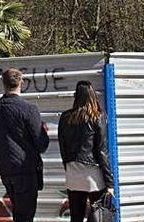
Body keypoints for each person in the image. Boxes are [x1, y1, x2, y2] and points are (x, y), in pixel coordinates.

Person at [0, 68, 50, 222]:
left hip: (5, 169)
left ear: (3, 84)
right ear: (22, 82)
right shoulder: (28, 109)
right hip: (26, 169)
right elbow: (42, 144)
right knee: (26, 214)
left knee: (18, 211)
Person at [57, 80, 114, 222]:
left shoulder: (65, 117)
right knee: (98, 213)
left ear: (76, 96)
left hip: (73, 173)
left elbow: (62, 147)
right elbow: (102, 151)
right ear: (92, 96)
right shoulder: (97, 117)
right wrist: (110, 183)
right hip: (93, 175)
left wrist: (69, 167)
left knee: (76, 216)